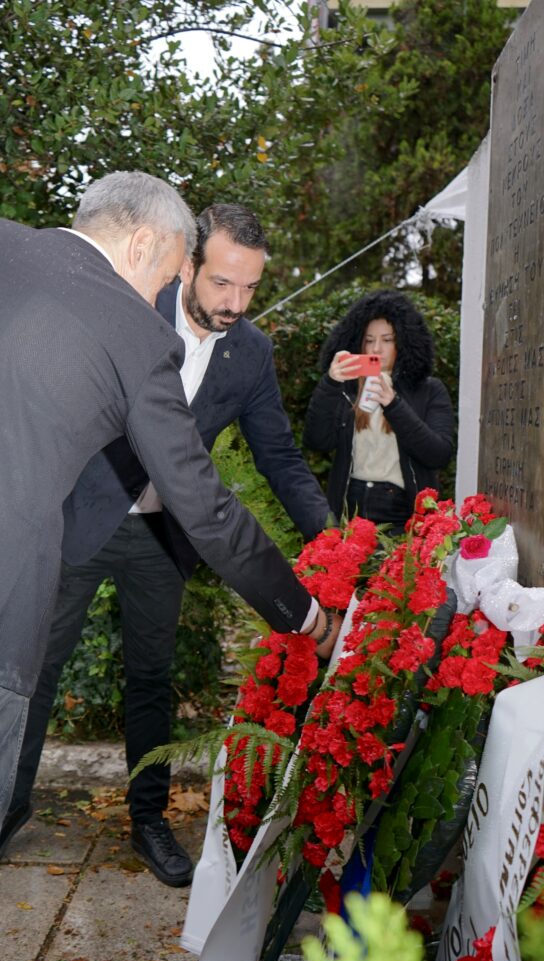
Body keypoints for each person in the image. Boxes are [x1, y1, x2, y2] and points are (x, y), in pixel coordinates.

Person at [0, 173, 340, 871]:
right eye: (221, 282)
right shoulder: (130, 310)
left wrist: (332, 541)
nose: (234, 303)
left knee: (150, 680)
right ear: (180, 263)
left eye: (250, 289)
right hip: (77, 521)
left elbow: (278, 456)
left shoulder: (251, 353)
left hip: (163, 536)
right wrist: (305, 615)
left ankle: (149, 820)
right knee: (31, 666)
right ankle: (9, 806)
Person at [303, 290, 454, 531]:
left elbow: (438, 454)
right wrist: (330, 384)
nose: (377, 348)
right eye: (369, 340)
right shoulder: (347, 387)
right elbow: (317, 441)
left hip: (402, 514)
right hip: (350, 508)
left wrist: (393, 404)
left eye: (387, 340)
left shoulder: (429, 390)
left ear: (403, 342)